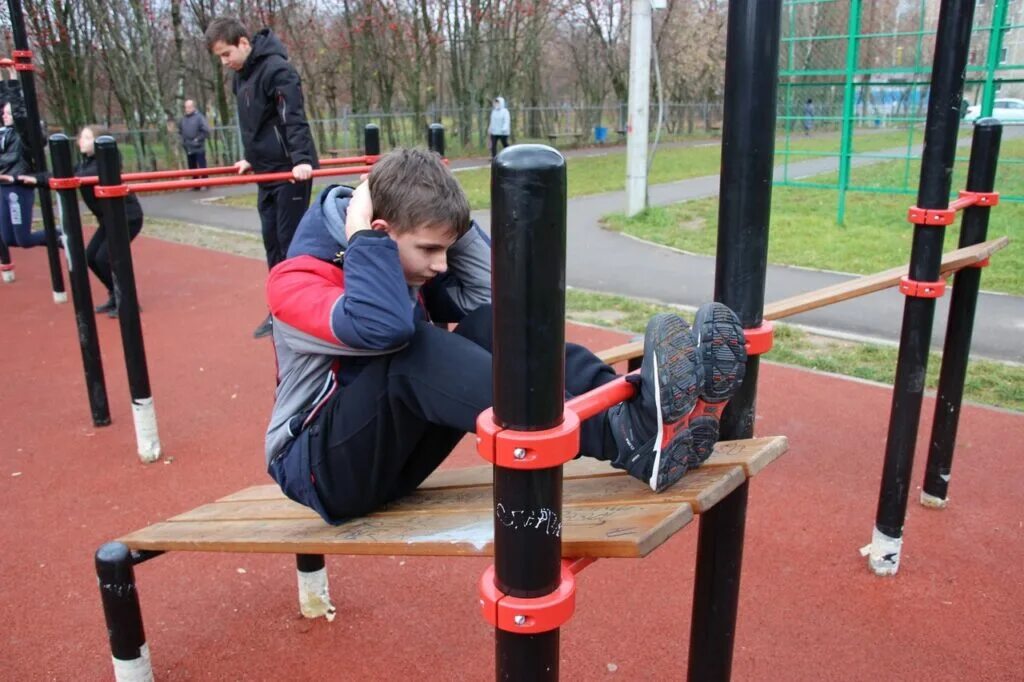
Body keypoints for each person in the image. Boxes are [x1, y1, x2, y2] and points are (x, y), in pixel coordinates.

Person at [263, 147, 747, 524]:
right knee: (413, 348)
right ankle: (628, 438)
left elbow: (500, 299)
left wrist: (457, 222)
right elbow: (383, 327)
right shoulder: (295, 281)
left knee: (488, 324)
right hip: (318, 471)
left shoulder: (413, 265)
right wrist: (363, 238)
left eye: (448, 248)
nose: (441, 265)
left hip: (387, 453)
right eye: (430, 248)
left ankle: (640, 408)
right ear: (378, 230)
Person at [205, 16, 319, 339]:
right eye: (220, 58)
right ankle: (280, 311)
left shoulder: (277, 69)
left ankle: (299, 312)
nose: (225, 63)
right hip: (267, 171)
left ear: (244, 43)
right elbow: (254, 126)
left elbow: (292, 116)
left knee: (289, 242)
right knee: (272, 243)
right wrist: (250, 158)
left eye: (227, 54)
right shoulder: (240, 78)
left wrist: (300, 160)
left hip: (290, 172)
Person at [20, 124, 145, 317]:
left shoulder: (103, 164)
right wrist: (33, 179)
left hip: (127, 217)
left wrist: (43, 180)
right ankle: (115, 294)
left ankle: (128, 301)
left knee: (106, 257)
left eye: (87, 138)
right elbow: (62, 174)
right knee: (91, 257)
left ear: (99, 142)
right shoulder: (85, 163)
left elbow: (75, 178)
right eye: (81, 137)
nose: (81, 141)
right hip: (108, 220)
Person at [0, 62, 44, 250]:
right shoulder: (4, 131)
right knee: (8, 239)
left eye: (8, 114)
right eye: (4, 113)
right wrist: (2, 84)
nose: (5, 116)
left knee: (23, 240)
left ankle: (57, 233)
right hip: (2, 185)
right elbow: (4, 106)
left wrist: (13, 83)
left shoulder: (24, 134)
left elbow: (19, 114)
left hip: (18, 186)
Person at [178, 99, 210, 189]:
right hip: (188, 146)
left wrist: (198, 139)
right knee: (192, 167)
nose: (187, 109)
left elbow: (206, 130)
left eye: (189, 107)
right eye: (186, 107)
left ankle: (206, 183)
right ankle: (196, 185)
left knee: (202, 166)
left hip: (198, 147)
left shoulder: (199, 117)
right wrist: (183, 141)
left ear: (193, 107)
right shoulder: (183, 119)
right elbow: (180, 131)